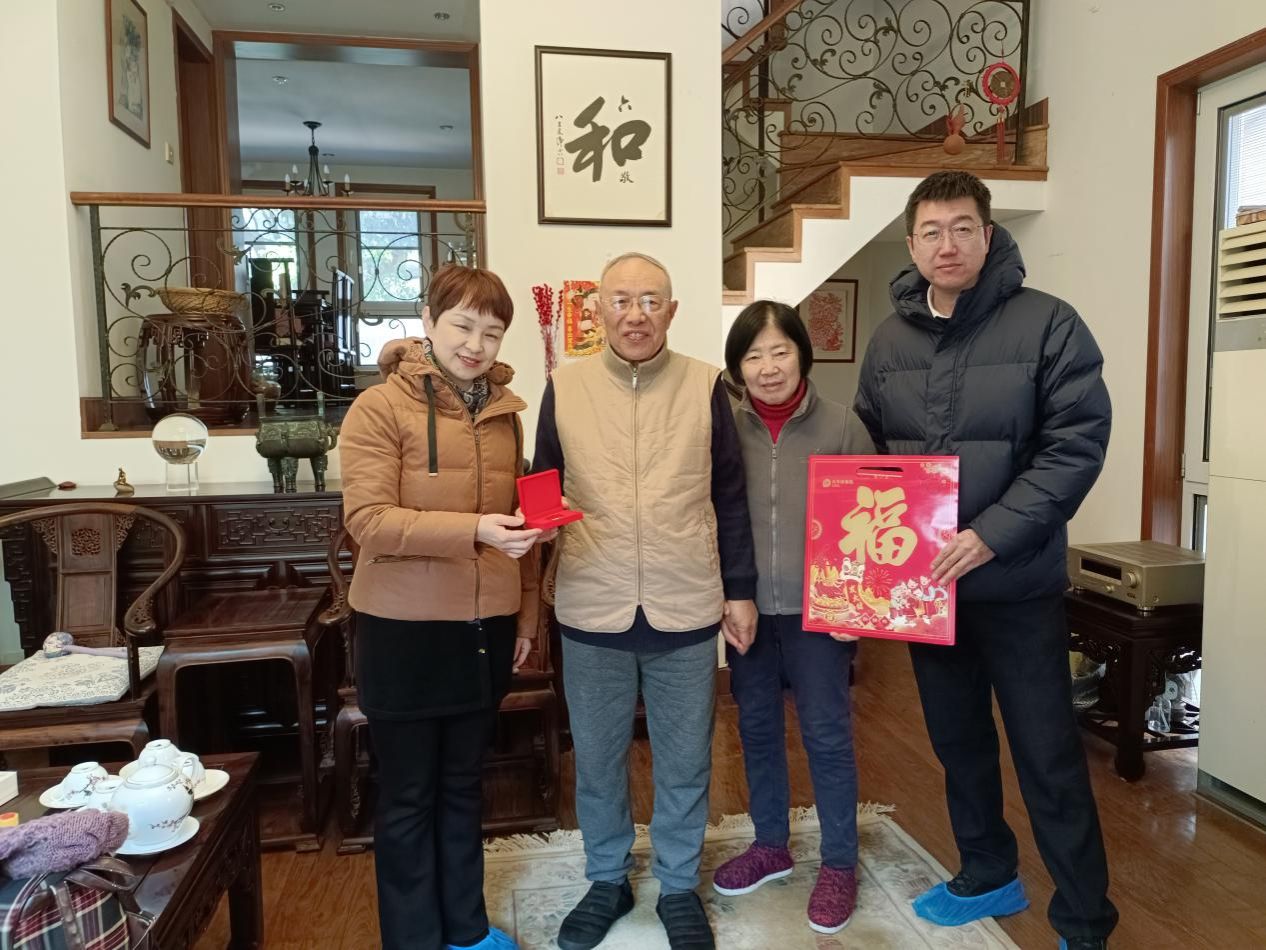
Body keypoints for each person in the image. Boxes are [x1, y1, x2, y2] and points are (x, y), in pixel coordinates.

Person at [854, 170, 1117, 950]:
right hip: (925, 591)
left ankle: (1084, 921)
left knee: (1048, 754)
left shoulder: (1050, 324)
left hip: (1016, 584)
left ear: (989, 234)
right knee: (958, 743)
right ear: (911, 244)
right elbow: (868, 452)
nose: (949, 244)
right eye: (932, 231)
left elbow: (1075, 447)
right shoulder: (889, 340)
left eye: (963, 227)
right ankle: (987, 871)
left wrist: (992, 534)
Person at [533, 252, 758, 950]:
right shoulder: (565, 387)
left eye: (651, 301)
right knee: (598, 760)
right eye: (622, 300)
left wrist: (740, 591)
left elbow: (730, 495)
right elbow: (541, 481)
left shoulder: (706, 384)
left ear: (672, 311)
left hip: (684, 601)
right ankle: (607, 879)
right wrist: (541, 518)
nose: (636, 315)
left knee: (685, 760)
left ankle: (679, 885)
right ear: (598, 310)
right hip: (592, 602)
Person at [340, 264, 543, 950]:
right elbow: (368, 520)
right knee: (407, 797)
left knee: (463, 787)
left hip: (484, 626)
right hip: (402, 631)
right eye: (462, 325)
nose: (476, 344)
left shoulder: (507, 414)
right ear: (428, 321)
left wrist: (526, 614)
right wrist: (477, 530)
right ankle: (414, 939)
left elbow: (517, 522)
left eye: (492, 332)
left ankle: (467, 930)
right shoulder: (379, 408)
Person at [711, 300, 874, 934]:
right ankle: (770, 845)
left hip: (821, 613)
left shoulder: (841, 425)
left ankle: (839, 862)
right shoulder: (725, 428)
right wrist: (727, 594)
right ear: (737, 368)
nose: (769, 367)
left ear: (803, 354)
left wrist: (858, 604)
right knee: (756, 730)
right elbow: (712, 516)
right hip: (749, 608)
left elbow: (875, 512)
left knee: (827, 735)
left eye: (780, 351)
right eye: (753, 355)